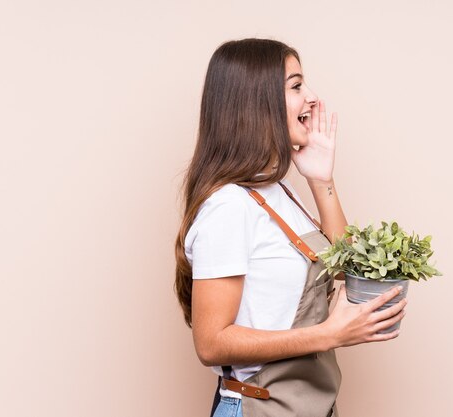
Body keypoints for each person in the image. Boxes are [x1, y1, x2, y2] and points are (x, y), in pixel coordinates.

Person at [174, 38, 407, 417]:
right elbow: (211, 343)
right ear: (257, 102)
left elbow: (345, 267)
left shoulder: (278, 190)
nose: (312, 97)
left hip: (307, 408)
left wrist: (320, 180)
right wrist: (329, 334)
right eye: (296, 86)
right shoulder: (229, 206)